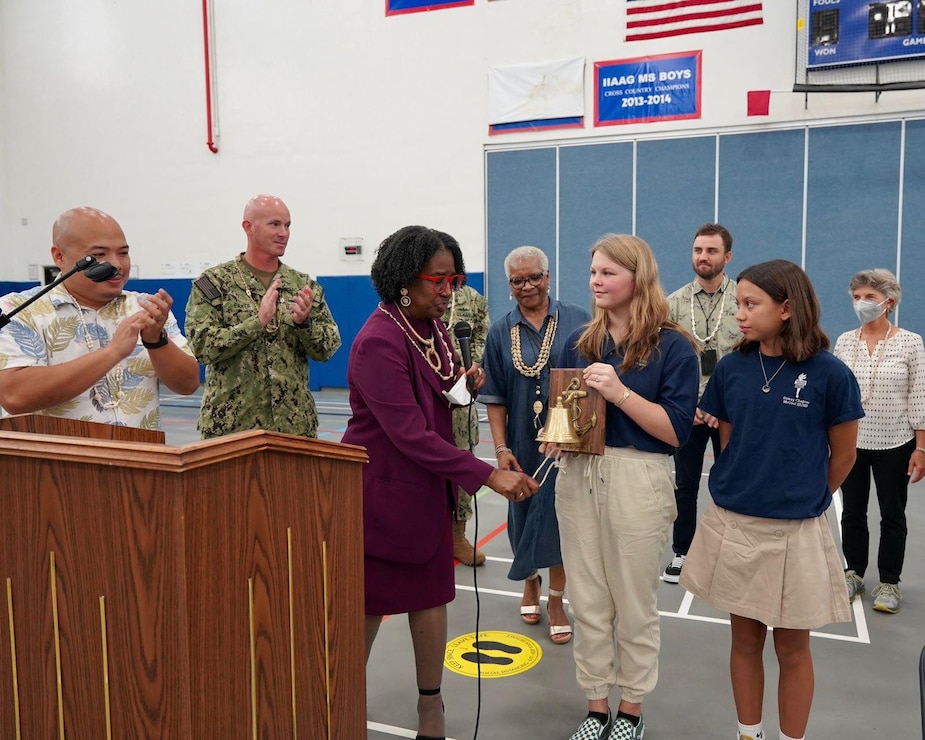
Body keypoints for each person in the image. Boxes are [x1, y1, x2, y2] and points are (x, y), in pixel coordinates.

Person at [342, 225, 538, 740]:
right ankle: (340, 701)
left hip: (429, 489)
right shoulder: (378, 341)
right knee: (369, 603)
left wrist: (461, 389)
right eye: (439, 280)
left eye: (455, 279)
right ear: (405, 281)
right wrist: (488, 475)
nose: (449, 290)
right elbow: (408, 434)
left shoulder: (432, 327)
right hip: (383, 494)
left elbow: (438, 392)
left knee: (432, 596)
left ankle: (432, 705)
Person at [680, 260, 863, 740]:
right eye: (738, 303)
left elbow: (843, 456)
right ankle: (749, 733)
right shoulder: (732, 368)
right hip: (735, 524)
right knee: (744, 641)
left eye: (750, 304)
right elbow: (727, 439)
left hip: (795, 530)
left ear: (786, 308)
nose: (739, 313)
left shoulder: (830, 374)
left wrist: (803, 493)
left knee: (792, 649)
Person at [549, 234, 699, 740]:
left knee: (634, 605)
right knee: (587, 601)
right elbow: (569, 413)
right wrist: (557, 437)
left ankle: (630, 711)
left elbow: (677, 429)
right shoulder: (582, 341)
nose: (596, 281)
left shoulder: (674, 346)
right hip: (578, 477)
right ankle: (596, 707)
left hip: (640, 478)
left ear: (639, 278)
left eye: (609, 272)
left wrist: (619, 392)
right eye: (593, 271)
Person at [479, 245, 590, 645]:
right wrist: (501, 449)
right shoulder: (499, 330)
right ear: (509, 285)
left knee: (562, 523)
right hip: (522, 444)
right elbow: (494, 397)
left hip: (568, 444)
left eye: (534, 277)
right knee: (522, 517)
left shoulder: (578, 320)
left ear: (548, 276)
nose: (527, 286)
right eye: (517, 280)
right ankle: (530, 582)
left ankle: (557, 600)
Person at [0, 206, 200, 424]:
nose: (116, 264)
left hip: (141, 455)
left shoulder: (146, 308)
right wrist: (113, 352)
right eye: (98, 255)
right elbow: (15, 396)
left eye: (123, 253)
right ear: (59, 256)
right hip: (56, 457)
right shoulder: (18, 309)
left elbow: (188, 385)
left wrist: (156, 341)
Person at [185, 194, 341, 438]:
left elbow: (327, 348)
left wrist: (305, 324)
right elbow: (202, 347)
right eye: (274, 224)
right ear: (248, 227)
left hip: (294, 427)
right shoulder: (214, 284)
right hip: (232, 428)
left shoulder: (302, 285)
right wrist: (256, 324)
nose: (284, 233)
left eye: (287, 225)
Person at [832, 268, 925, 614]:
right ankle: (853, 572)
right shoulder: (844, 341)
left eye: (869, 297)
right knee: (852, 512)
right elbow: (836, 395)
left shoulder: (911, 342)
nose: (862, 303)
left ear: (889, 301)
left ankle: (889, 581)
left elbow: (919, 396)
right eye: (857, 297)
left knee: (892, 513)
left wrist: (921, 447)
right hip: (852, 442)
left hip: (896, 442)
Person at [664, 223, 742, 583]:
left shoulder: (745, 300)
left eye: (711, 251)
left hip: (731, 415)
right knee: (685, 483)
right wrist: (686, 405)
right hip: (688, 414)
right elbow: (666, 362)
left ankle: (731, 552)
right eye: (698, 250)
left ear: (726, 256)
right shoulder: (673, 304)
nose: (703, 257)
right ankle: (682, 551)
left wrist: (721, 406)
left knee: (732, 482)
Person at [439, 276, 491, 566]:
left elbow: (483, 336)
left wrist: (471, 363)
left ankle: (458, 535)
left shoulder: (474, 299)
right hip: (425, 391)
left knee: (462, 462)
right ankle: (430, 533)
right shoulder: (418, 296)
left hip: (462, 397)